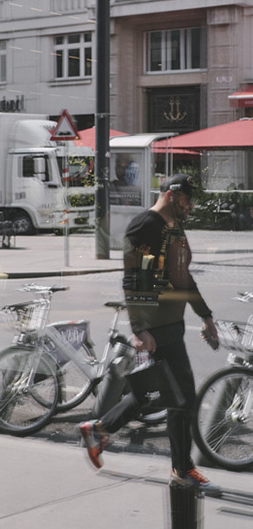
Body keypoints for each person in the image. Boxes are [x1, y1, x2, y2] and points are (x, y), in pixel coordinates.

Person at [79, 174, 219, 487]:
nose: (190, 205)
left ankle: (101, 431)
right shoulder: (146, 226)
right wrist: (140, 328)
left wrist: (205, 315)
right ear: (172, 194)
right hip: (157, 326)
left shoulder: (174, 228)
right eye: (186, 199)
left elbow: (183, 277)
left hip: (173, 324)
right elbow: (134, 279)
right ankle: (180, 469)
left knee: (169, 394)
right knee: (179, 395)